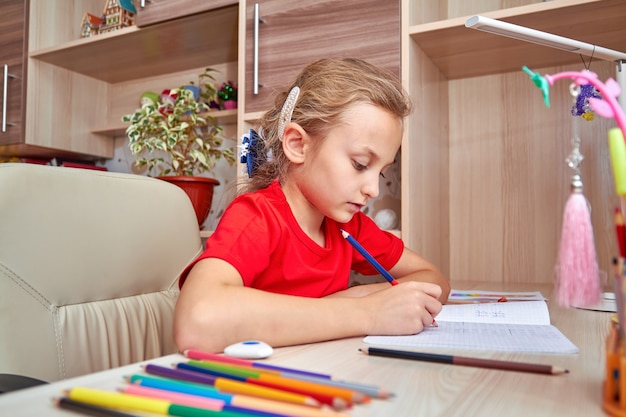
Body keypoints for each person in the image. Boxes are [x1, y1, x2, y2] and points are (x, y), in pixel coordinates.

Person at [174, 58, 450, 353]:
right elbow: (196, 320)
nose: (373, 189)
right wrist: (367, 312)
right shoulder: (256, 218)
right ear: (297, 145)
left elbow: (435, 281)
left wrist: (362, 302)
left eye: (380, 172)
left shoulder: (348, 226)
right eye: (360, 164)